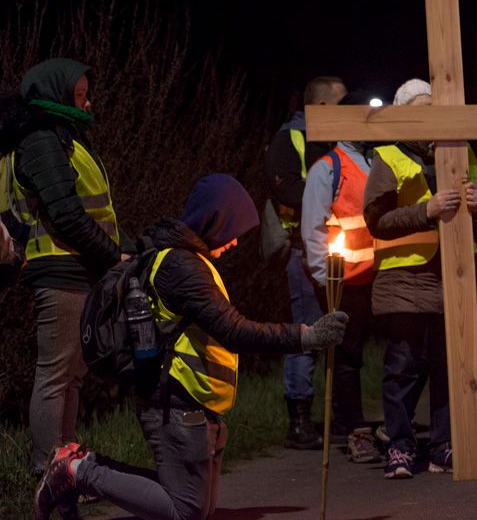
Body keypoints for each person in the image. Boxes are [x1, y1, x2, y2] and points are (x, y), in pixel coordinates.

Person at [33, 174, 348, 520]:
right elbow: (234, 331)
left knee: (196, 507)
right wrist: (307, 335)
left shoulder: (189, 262)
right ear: (215, 219)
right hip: (175, 404)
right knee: (186, 510)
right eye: (233, 230)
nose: (235, 243)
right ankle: (78, 471)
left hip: (193, 405)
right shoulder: (180, 266)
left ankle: (82, 467)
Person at [363, 78, 477, 478]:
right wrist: (427, 209)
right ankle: (401, 447)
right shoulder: (388, 156)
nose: (430, 116)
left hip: (456, 278)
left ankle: (444, 445)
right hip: (406, 280)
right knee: (403, 367)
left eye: (434, 106)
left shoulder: (463, 151)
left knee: (451, 368)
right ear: (404, 114)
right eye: (422, 108)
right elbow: (376, 221)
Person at [3, 59, 127, 479]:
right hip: (61, 270)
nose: (89, 102)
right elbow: (66, 215)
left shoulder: (63, 137)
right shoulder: (41, 139)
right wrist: (114, 257)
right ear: (57, 94)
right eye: (80, 95)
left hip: (76, 269)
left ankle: (65, 466)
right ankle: (47, 469)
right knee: (57, 374)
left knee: (70, 375)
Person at [265, 76, 348, 450]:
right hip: (303, 250)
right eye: (341, 103)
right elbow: (283, 187)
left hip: (338, 250)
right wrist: (330, 193)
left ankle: (337, 417)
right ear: (320, 108)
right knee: (307, 336)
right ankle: (298, 422)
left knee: (335, 335)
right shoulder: (291, 139)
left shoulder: (337, 145)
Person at [300, 91, 380, 462]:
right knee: (346, 359)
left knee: (390, 354)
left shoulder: (378, 161)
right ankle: (354, 431)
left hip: (379, 278)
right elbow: (312, 229)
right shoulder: (327, 168)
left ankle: (383, 425)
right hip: (342, 282)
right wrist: (324, 279)